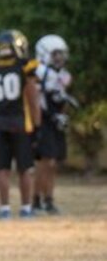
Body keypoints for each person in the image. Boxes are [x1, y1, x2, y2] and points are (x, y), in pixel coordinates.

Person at [0, 29, 41, 219]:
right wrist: (37, 125)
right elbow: (32, 98)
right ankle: (26, 208)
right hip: (21, 122)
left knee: (1, 169)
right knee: (25, 168)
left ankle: (5, 209)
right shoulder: (24, 65)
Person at [33, 34, 73, 215]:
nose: (59, 57)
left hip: (55, 121)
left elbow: (61, 97)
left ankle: (49, 200)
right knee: (45, 162)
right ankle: (36, 200)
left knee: (53, 162)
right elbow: (36, 99)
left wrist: (63, 114)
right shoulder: (40, 72)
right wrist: (39, 123)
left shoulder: (63, 74)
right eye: (56, 53)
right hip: (44, 121)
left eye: (61, 53)